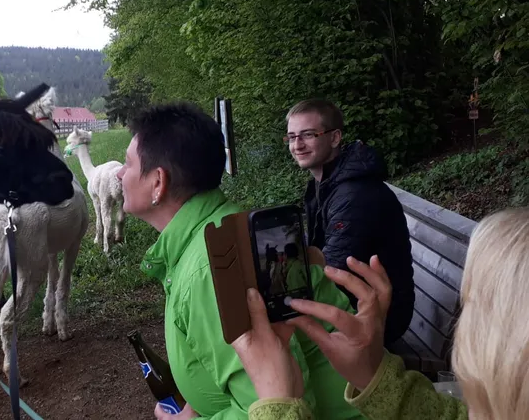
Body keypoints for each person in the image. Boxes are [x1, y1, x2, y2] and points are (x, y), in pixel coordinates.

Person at [116, 102, 366, 420]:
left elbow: (280, 405)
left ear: (158, 183)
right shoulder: (218, 231)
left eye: (127, 163)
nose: (120, 173)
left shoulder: (213, 267)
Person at [230, 208, 529, 419]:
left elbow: (334, 256)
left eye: (472, 304)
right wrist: (374, 375)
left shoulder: (355, 194)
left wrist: (277, 402)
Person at [285, 99, 414, 345]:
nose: (297, 145)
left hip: (378, 315)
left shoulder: (355, 194)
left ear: (334, 138)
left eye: (308, 135)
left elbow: (333, 270)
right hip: (357, 301)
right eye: (292, 137)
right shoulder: (325, 184)